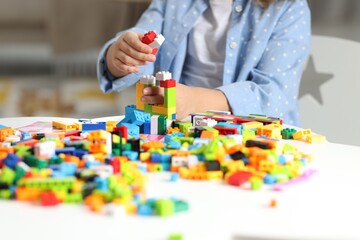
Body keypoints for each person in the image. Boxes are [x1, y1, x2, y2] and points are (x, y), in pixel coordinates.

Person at [97, 0, 311, 125]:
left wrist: (193, 101)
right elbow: (143, 41)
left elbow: (273, 94)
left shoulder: (290, 7)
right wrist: (119, 57)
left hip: (257, 138)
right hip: (179, 131)